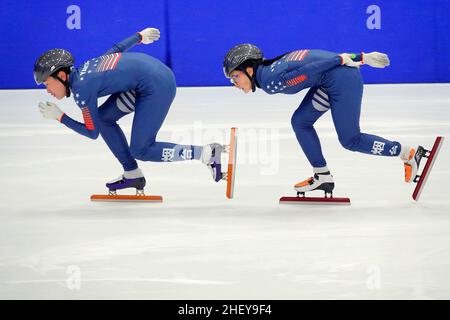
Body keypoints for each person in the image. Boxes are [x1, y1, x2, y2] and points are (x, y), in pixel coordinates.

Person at [34, 28, 223, 194]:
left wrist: (60, 117)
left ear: (61, 75)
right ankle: (132, 173)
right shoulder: (85, 68)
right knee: (103, 118)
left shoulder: (82, 91)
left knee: (141, 149)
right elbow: (114, 51)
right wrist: (139, 36)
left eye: (47, 84)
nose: (48, 90)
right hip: (147, 78)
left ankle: (205, 153)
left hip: (155, 86)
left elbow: (92, 133)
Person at [223, 44, 420, 195]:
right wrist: (347, 58)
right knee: (300, 122)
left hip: (342, 81)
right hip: (330, 79)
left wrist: (357, 58)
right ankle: (322, 176)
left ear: (249, 70)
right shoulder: (271, 67)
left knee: (351, 139)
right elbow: (311, 59)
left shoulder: (270, 81)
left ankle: (408, 153)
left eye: (235, 77)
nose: (235, 84)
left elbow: (308, 71)